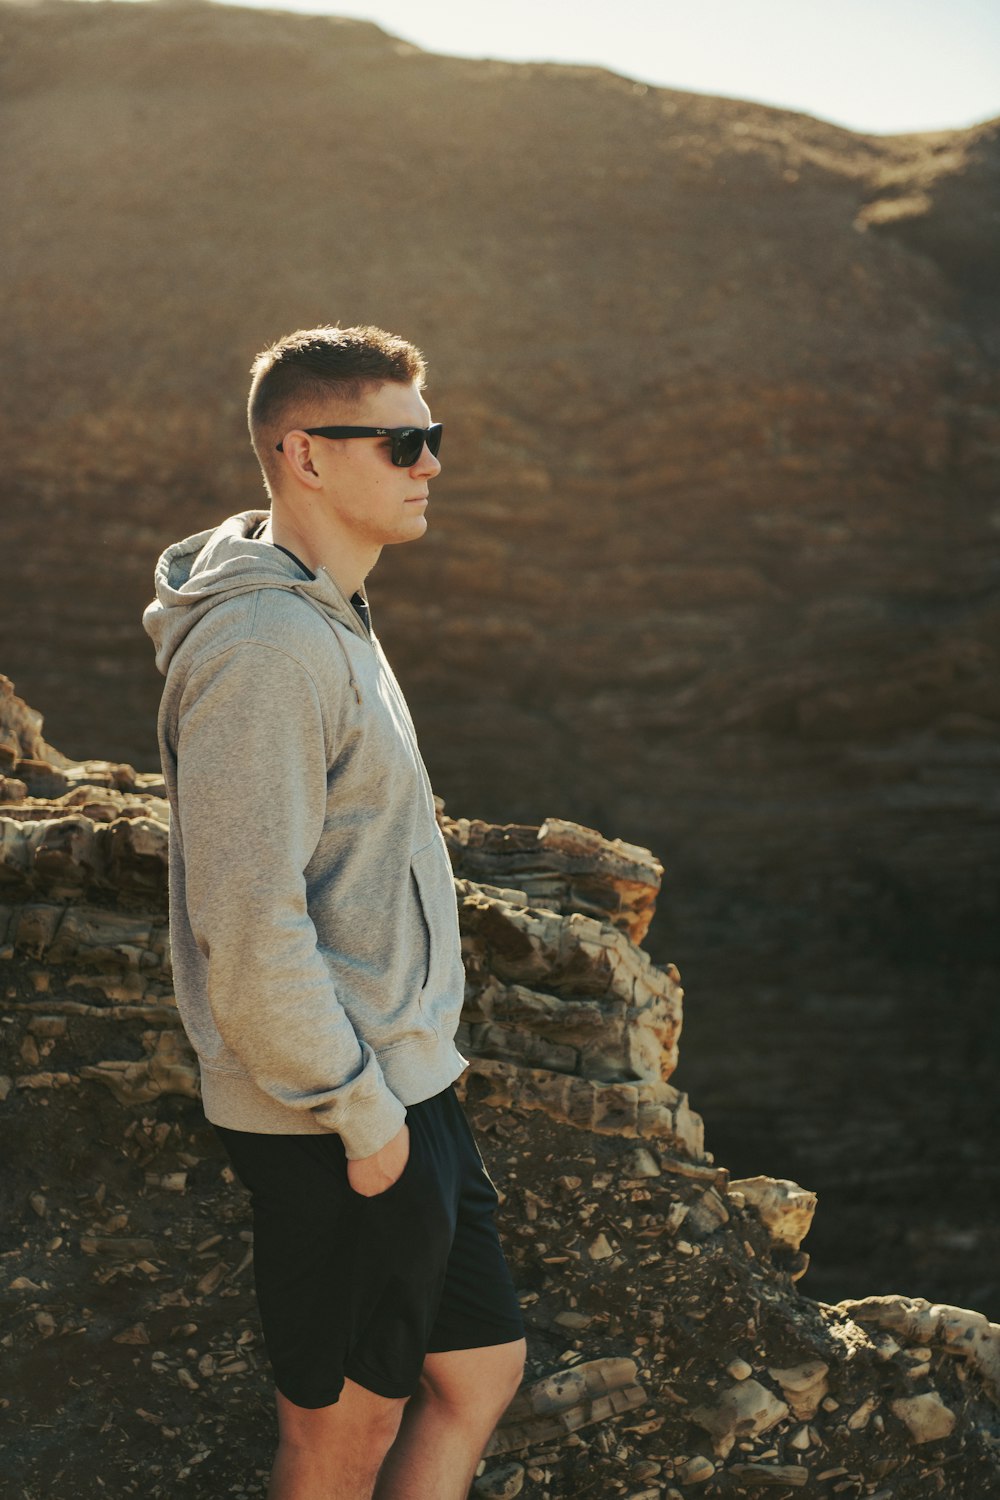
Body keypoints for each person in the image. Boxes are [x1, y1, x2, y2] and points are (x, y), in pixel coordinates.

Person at [142, 324, 526, 1500]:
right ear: (305, 455)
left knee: (477, 1371)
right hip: (334, 1112)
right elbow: (251, 926)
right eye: (404, 441)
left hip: (406, 1081)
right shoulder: (264, 648)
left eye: (433, 438)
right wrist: (363, 1122)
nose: (430, 464)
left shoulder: (330, 613)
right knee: (339, 1435)